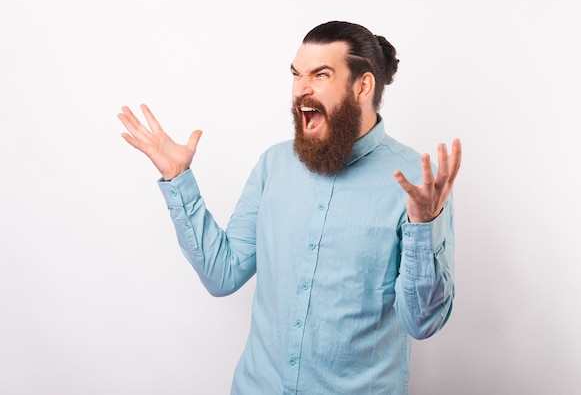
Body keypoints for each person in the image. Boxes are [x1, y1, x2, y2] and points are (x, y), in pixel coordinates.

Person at [118, 20, 462, 394]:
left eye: (321, 74)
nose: (301, 89)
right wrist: (177, 179)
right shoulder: (274, 164)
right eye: (296, 74)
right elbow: (223, 273)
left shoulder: (416, 182)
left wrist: (424, 226)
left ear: (362, 86)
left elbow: (421, 323)